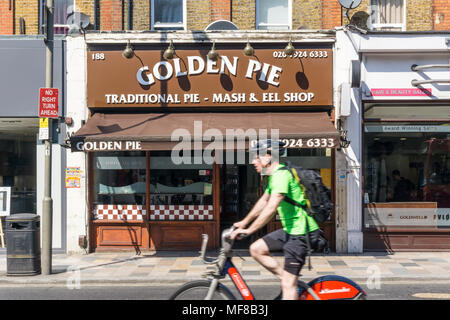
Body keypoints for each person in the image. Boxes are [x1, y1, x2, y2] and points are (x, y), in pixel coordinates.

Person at [230, 139, 320, 300]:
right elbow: (263, 201)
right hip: (291, 230)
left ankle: (290, 283)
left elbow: (271, 208)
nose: (253, 161)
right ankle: (287, 278)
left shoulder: (281, 175)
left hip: (302, 233)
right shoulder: (274, 176)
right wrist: (244, 222)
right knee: (256, 249)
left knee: (288, 286)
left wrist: (250, 230)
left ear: (267, 157)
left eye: (256, 157)